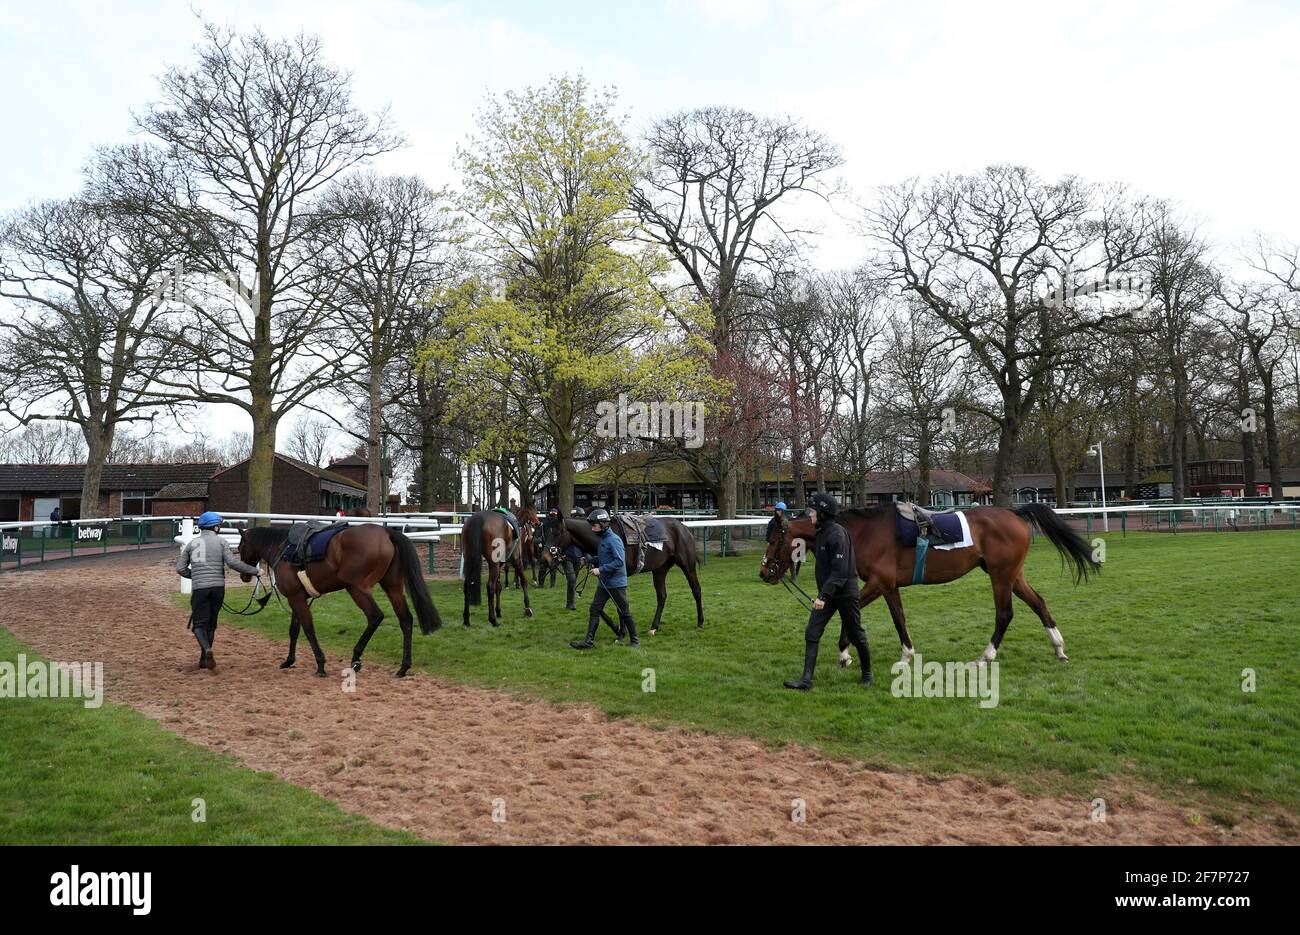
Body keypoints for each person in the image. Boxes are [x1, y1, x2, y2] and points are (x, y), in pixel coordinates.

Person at [784, 492, 872, 691]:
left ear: (823, 513)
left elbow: (840, 573)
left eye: (813, 512)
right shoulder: (821, 533)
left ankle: (867, 674)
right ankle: (806, 681)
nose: (811, 515)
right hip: (827, 593)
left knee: (856, 635)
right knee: (812, 632)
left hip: (845, 594)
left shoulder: (838, 535)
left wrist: (823, 596)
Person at [175, 511, 261, 672]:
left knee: (198, 625)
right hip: (218, 588)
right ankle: (204, 661)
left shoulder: (192, 544)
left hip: (200, 588)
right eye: (219, 525)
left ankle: (207, 651)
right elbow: (233, 563)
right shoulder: (222, 542)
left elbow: (180, 568)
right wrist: (254, 571)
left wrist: (194, 575)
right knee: (211, 624)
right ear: (215, 527)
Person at [569, 508, 638, 649]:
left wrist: (600, 569)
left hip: (616, 584)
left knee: (624, 612)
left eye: (594, 525)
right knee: (595, 609)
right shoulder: (603, 539)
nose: (592, 528)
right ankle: (588, 641)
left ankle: (635, 641)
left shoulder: (614, 540)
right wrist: (589, 560)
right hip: (605, 583)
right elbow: (604, 557)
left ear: (603, 524)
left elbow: (619, 562)